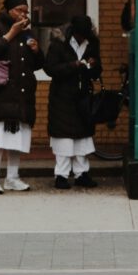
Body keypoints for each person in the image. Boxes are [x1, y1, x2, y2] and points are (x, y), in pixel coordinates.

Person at [0, 0, 41, 194]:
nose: (23, 14)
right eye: (19, 10)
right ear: (9, 10)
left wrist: (37, 50)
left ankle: (12, 177)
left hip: (20, 93)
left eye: (26, 11)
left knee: (16, 138)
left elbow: (38, 64)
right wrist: (9, 35)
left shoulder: (27, 31)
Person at [43, 14, 102, 188]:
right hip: (62, 97)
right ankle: (61, 175)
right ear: (73, 32)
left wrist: (93, 65)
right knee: (64, 138)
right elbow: (49, 68)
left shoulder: (92, 43)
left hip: (83, 96)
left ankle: (81, 173)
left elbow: (98, 70)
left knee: (82, 138)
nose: (83, 38)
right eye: (80, 35)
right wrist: (73, 65)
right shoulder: (59, 43)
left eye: (85, 35)